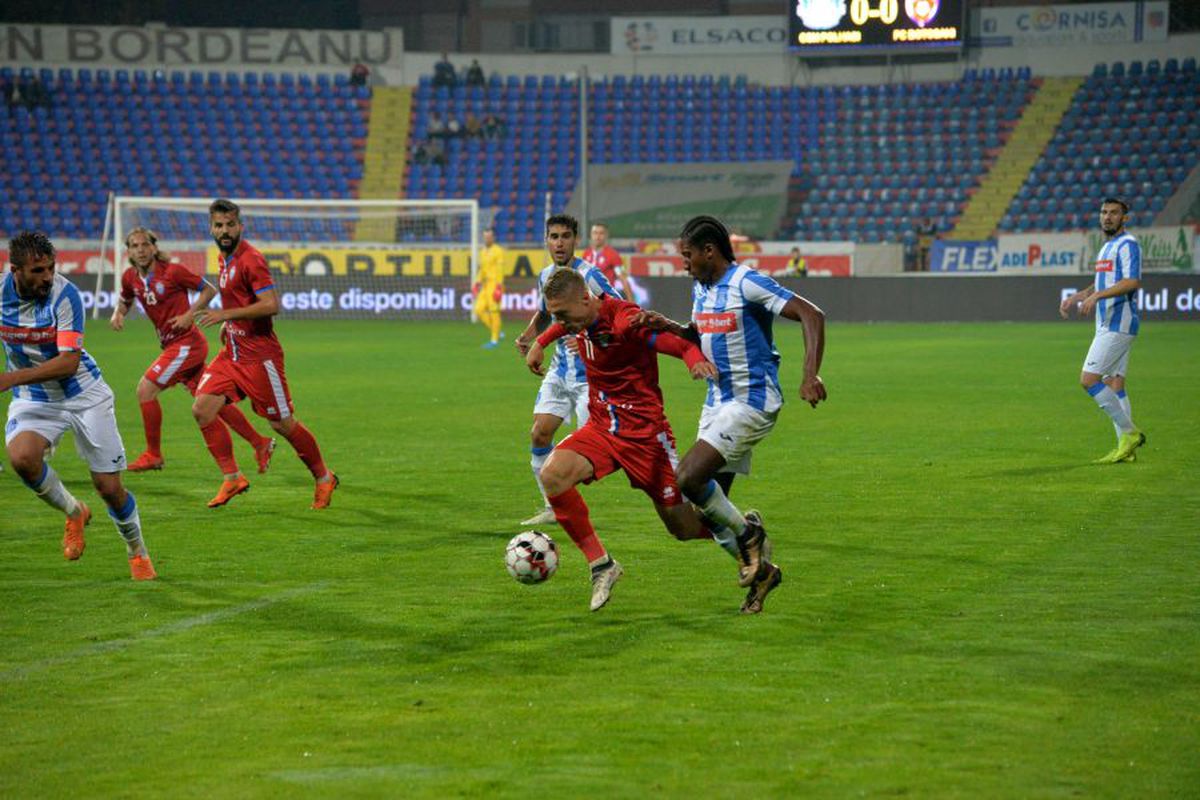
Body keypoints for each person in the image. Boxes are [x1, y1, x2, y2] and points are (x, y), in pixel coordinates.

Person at [634, 215, 827, 613]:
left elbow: (812, 314)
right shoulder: (702, 288)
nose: (683, 264)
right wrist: (667, 325)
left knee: (688, 478)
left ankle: (750, 534)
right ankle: (763, 572)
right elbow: (699, 334)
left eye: (687, 255)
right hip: (717, 403)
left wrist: (810, 374)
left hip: (751, 401)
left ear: (710, 251)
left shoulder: (747, 282)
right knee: (703, 516)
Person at [524, 268, 722, 611]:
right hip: (602, 428)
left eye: (563, 315)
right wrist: (540, 342)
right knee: (553, 474)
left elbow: (675, 342)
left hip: (645, 437)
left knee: (682, 527)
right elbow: (563, 324)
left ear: (585, 299)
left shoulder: (625, 320)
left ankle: (738, 530)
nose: (561, 323)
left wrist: (694, 360)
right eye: (556, 316)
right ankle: (602, 565)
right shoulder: (578, 317)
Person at [1, 231, 156, 580]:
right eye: (38, 270)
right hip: (35, 398)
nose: (47, 277)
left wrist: (12, 378)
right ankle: (74, 512)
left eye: (51, 268)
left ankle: (137, 551)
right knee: (22, 458)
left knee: (109, 489)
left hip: (83, 395)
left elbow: (69, 363)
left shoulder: (65, 294)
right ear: (15, 271)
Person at [192, 199, 339, 509]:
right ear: (211, 228)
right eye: (219, 225)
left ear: (240, 226)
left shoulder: (251, 259)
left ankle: (324, 477)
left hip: (260, 358)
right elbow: (242, 300)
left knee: (282, 424)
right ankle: (233, 478)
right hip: (232, 354)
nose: (225, 230)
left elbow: (272, 305)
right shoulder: (223, 257)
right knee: (203, 409)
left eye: (230, 225)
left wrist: (225, 314)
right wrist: (230, 324)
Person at [110, 227, 275, 474]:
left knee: (145, 390)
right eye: (135, 246)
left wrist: (189, 314)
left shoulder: (173, 272)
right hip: (172, 344)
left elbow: (209, 289)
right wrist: (118, 313)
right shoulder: (129, 277)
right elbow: (125, 299)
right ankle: (259, 443)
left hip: (187, 343)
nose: (141, 250)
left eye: (145, 245)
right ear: (129, 252)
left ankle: (153, 454)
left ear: (154, 248)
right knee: (211, 401)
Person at [513, 214, 622, 526]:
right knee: (539, 433)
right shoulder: (546, 276)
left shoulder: (590, 276)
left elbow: (621, 312)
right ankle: (553, 508)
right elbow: (545, 313)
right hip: (560, 371)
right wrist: (529, 336)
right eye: (554, 237)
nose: (559, 243)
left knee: (593, 451)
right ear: (546, 241)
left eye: (565, 236)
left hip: (591, 376)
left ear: (576, 240)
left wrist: (591, 337)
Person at [1059, 197, 1146, 464]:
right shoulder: (1107, 247)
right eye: (1104, 212)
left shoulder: (1128, 244)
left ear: (1124, 218)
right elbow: (1103, 282)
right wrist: (1080, 295)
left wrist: (1096, 297)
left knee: (1089, 380)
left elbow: (1132, 282)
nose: (1107, 217)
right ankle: (1126, 449)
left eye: (1114, 213)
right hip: (1107, 323)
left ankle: (1130, 433)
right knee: (1115, 384)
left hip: (1119, 324)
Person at [581, 222, 632, 301]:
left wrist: (631, 301)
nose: (597, 236)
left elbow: (623, 279)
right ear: (591, 235)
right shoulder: (586, 254)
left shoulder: (613, 255)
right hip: (589, 300)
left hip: (606, 300)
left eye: (601, 233)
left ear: (606, 235)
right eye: (595, 233)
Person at [474, 227, 506, 348]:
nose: (487, 239)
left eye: (489, 237)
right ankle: (496, 331)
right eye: (485, 237)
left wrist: (499, 286)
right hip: (485, 285)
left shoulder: (498, 251)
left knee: (494, 312)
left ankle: (494, 340)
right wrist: (477, 282)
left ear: (493, 238)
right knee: (478, 310)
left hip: (495, 284)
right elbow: (482, 270)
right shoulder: (483, 252)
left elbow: (500, 270)